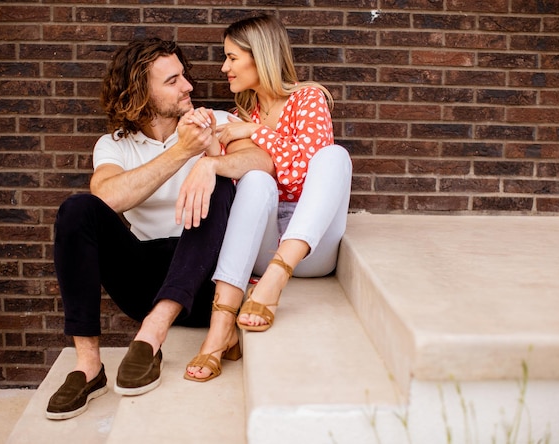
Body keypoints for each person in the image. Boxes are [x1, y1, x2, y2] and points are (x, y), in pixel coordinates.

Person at [46, 38, 274, 419]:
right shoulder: (114, 145)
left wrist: (210, 164)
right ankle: (87, 367)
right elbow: (107, 196)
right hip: (145, 282)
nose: (187, 86)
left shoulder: (213, 121)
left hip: (209, 284)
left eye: (183, 76)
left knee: (220, 183)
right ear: (141, 92)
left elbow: (264, 162)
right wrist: (184, 152)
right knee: (77, 209)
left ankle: (153, 333)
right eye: (172, 81)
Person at [182, 14, 352, 382]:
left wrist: (255, 133)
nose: (224, 67)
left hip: (309, 247)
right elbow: (236, 182)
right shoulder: (246, 115)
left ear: (259, 56)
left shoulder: (308, 99)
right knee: (257, 180)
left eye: (232, 57)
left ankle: (275, 279)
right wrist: (211, 140)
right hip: (262, 243)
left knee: (334, 157)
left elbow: (306, 174)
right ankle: (219, 330)